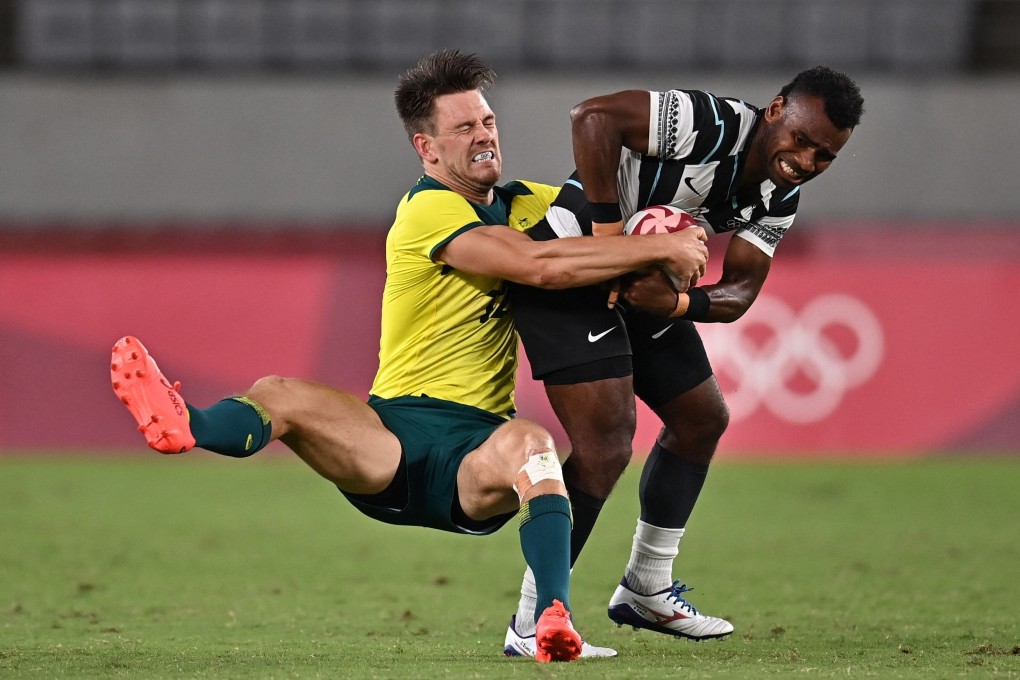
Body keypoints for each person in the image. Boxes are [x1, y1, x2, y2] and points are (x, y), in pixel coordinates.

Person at [110, 49, 710, 663]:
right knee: (279, 392)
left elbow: (614, 212)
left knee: (533, 447)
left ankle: (545, 622)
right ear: (427, 149)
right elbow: (540, 265)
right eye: (463, 128)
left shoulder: (529, 202)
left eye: (487, 121)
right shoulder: (427, 209)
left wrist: (690, 220)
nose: (483, 136)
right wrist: (658, 250)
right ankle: (189, 425)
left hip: (476, 455)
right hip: (390, 438)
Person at [506, 66, 864, 644]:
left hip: (639, 285)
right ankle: (533, 619)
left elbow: (739, 291)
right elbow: (592, 117)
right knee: (605, 447)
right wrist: (610, 242)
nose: (806, 160)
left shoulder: (780, 195)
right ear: (776, 110)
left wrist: (675, 303)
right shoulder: (711, 123)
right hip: (567, 270)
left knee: (701, 418)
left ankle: (646, 587)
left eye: (825, 155)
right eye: (802, 139)